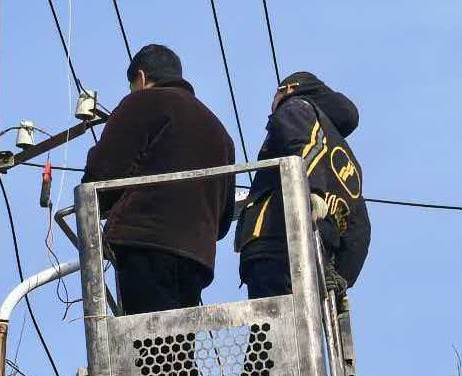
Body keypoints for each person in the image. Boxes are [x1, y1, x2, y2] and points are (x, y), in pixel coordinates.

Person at [83, 43, 236, 314]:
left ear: (141, 78)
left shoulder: (141, 102)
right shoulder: (220, 132)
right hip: (197, 255)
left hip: (145, 241)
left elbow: (104, 170)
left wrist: (97, 204)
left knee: (148, 342)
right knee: (176, 345)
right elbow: (224, 218)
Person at [235, 71, 368, 301]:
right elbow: (360, 230)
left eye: (275, 95)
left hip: (276, 240)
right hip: (317, 261)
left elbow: (304, 145)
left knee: (271, 330)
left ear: (289, 89)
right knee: (295, 332)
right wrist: (341, 279)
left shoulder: (296, 107)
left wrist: (312, 190)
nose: (272, 104)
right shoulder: (350, 162)